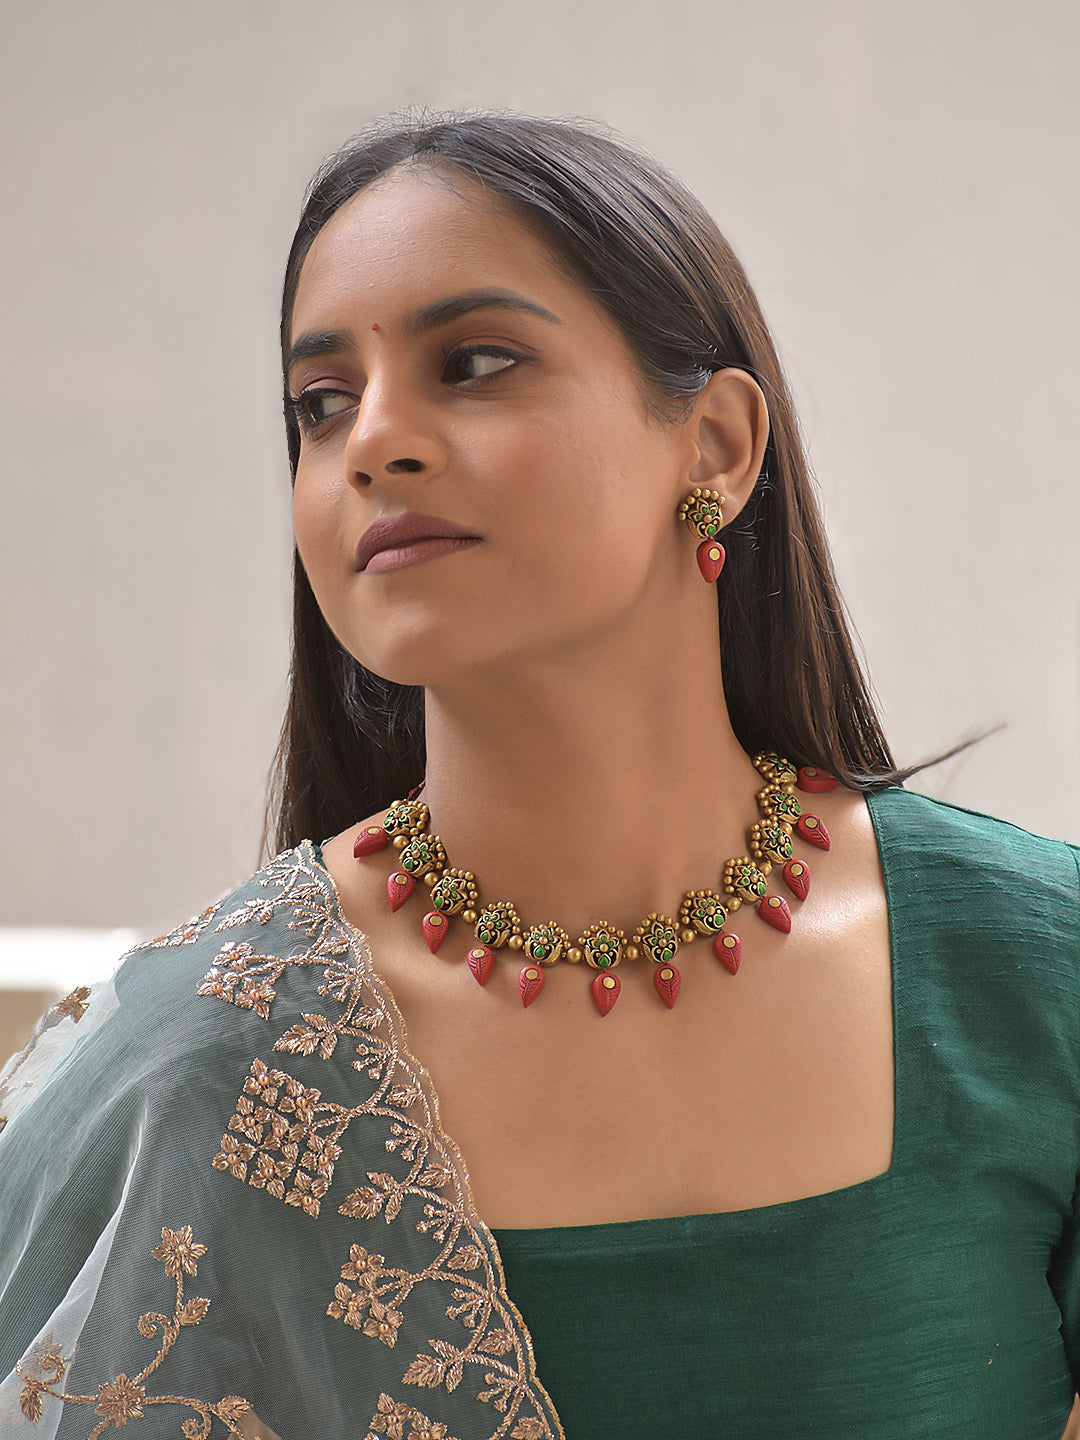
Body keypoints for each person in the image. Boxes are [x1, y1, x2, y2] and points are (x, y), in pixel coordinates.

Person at [0, 111, 1078, 1440]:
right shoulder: (206, 1059)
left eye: (475, 363)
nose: (370, 440)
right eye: (321, 403)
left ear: (715, 446)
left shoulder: (1037, 974)